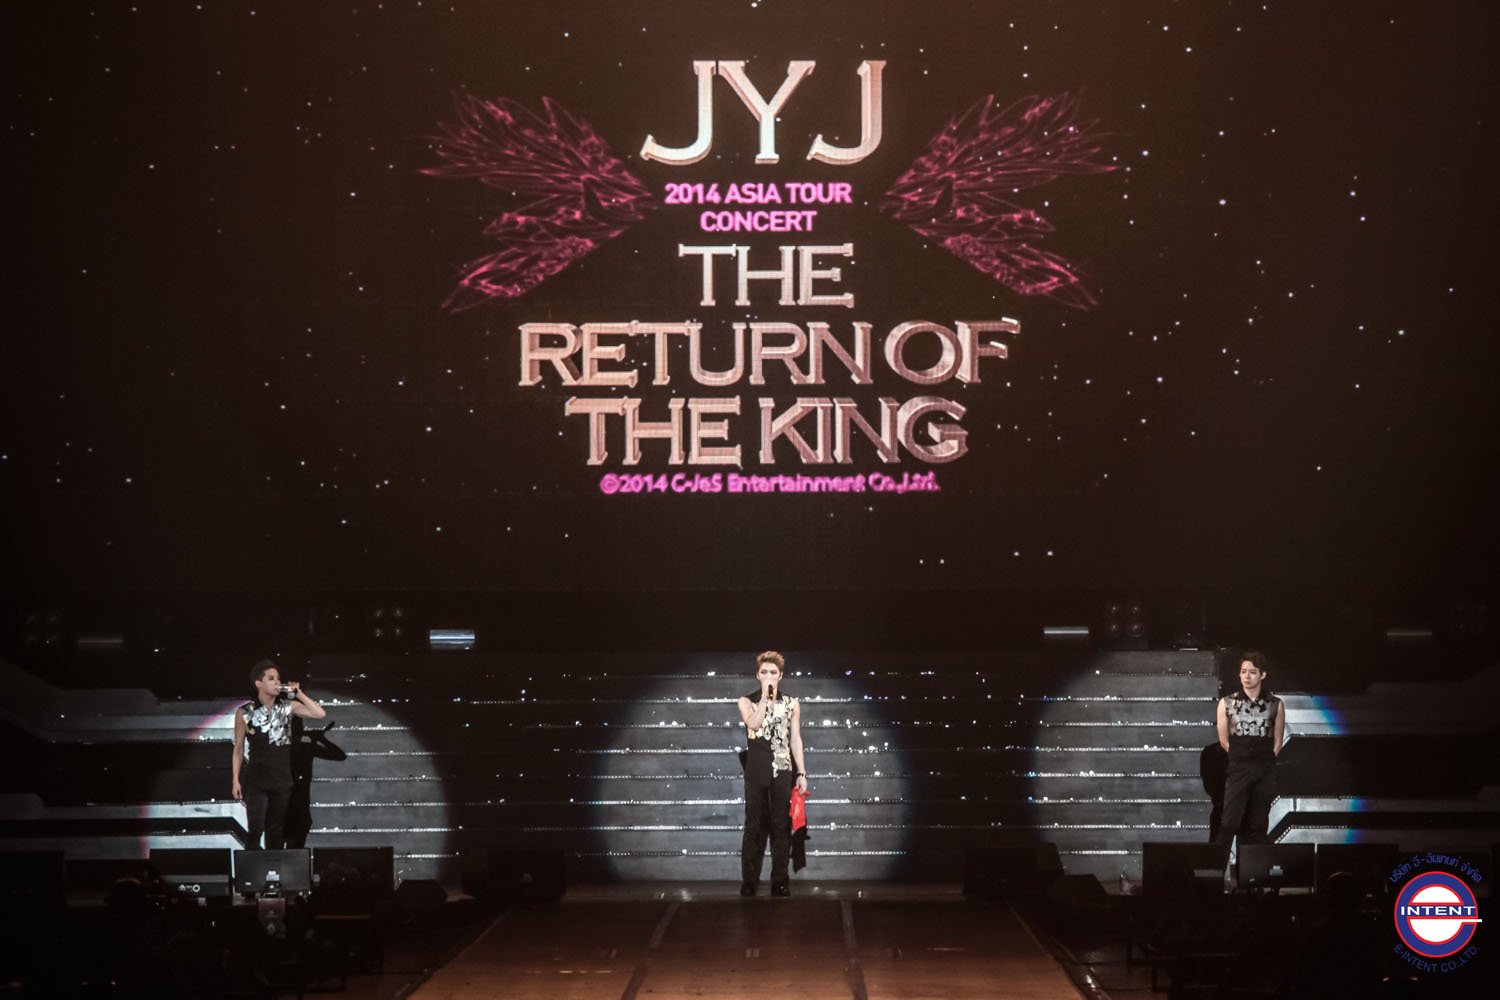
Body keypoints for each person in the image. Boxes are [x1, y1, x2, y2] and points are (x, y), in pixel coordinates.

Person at [232, 659, 326, 850]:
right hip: (256, 780)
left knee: (275, 832)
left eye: (278, 678)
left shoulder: (287, 707)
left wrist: (298, 693)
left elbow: (319, 714)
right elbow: (239, 748)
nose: (277, 682)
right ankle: (253, 868)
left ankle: (272, 867)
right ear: (259, 683)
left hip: (281, 779)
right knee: (255, 830)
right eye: (271, 678)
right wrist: (235, 780)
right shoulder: (245, 712)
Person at [737, 650, 808, 897]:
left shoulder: (792, 703)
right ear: (758, 675)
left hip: (783, 769)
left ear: (781, 675)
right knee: (754, 826)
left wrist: (801, 772)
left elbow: (795, 739)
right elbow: (754, 724)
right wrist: (765, 702)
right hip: (756, 769)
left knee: (781, 826)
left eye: (773, 672)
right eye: (764, 672)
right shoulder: (746, 701)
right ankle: (750, 881)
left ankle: (780, 880)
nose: (769, 676)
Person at [1212, 651, 1284, 848]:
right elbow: (1224, 741)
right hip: (1238, 767)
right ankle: (1218, 866)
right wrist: (1240, 758)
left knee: (1258, 824)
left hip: (1264, 768)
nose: (1247, 676)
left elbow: (1278, 741)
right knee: (1229, 822)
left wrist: (1264, 762)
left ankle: (1254, 867)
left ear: (1262, 675)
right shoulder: (1226, 703)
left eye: (1252, 672)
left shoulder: (1275, 704)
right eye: (1243, 672)